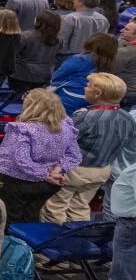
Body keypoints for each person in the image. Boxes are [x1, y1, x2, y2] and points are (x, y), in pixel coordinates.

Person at [44, 73, 136, 223]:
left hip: (74, 171)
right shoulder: (128, 118)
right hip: (102, 172)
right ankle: (77, 242)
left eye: (88, 86)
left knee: (54, 208)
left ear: (98, 93)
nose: (85, 89)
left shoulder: (87, 118)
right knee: (80, 208)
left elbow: (60, 140)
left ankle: (53, 243)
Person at [0, 88, 82, 223]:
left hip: (16, 183)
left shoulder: (23, 130)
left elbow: (21, 160)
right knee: (31, 217)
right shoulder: (66, 126)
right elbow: (74, 155)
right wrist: (56, 171)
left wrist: (46, 175)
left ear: (31, 105)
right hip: (46, 185)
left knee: (9, 219)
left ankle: (12, 243)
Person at [51, 32, 119, 114]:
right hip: (93, 100)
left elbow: (57, 75)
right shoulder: (111, 64)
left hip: (69, 97)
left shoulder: (79, 59)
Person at [11, 9, 61, 94]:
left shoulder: (26, 36)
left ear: (39, 21)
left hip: (22, 75)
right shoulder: (59, 39)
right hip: (45, 74)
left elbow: (12, 52)